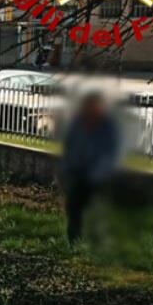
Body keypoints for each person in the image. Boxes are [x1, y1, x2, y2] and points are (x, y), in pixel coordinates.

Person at [59, 91, 121, 243]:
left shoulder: (107, 126)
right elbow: (69, 146)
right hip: (77, 173)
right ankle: (74, 240)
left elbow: (111, 151)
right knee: (74, 209)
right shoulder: (78, 123)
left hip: (97, 175)